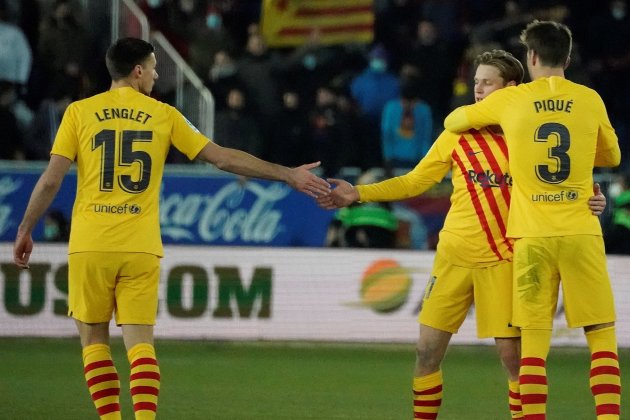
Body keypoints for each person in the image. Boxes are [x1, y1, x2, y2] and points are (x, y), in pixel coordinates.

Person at [12, 37, 330, 420]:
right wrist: (286, 174)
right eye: (154, 67)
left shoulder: (79, 112)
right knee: (141, 347)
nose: (157, 75)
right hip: (140, 246)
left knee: (94, 342)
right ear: (138, 71)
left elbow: (51, 180)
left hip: (90, 245)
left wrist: (25, 228)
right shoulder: (164, 115)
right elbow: (223, 158)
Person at [317, 49, 607, 419]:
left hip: (504, 259)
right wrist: (359, 193)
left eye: (487, 83)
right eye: (476, 82)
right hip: (453, 259)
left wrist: (592, 200)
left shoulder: (529, 136)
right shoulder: (456, 133)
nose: (478, 90)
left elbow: (562, 182)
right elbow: (415, 181)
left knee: (514, 360)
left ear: (511, 88)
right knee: (426, 352)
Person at [444, 21, 621, 419]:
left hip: (532, 237)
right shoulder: (589, 98)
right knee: (601, 335)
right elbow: (612, 156)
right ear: (568, 59)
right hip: (580, 231)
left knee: (534, 344)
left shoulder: (512, 99)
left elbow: (453, 122)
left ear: (532, 57)